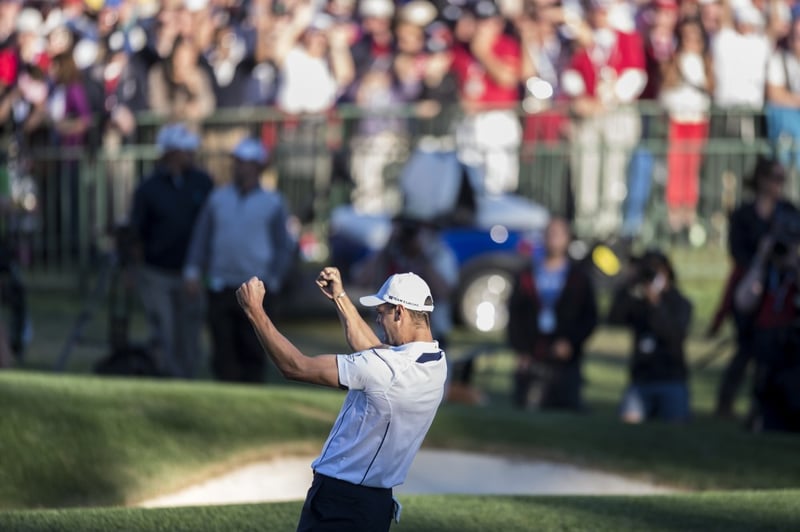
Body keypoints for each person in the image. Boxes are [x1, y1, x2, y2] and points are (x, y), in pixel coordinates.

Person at [235, 267, 447, 531]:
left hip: (340, 503)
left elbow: (296, 367)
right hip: (375, 505)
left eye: (381, 313)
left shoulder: (386, 368)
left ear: (400, 312)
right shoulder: (436, 362)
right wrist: (340, 296)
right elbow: (373, 350)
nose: (378, 321)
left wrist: (254, 310)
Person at [183, 137, 295, 383]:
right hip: (220, 284)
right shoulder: (217, 198)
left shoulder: (273, 202)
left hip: (257, 288)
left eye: (245, 163)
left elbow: (283, 245)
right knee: (222, 349)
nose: (239, 168)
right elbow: (202, 237)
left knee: (253, 348)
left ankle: (252, 392)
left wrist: (275, 278)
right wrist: (192, 271)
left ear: (257, 167)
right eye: (237, 163)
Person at [709, 156, 798, 418]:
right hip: (750, 283)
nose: (778, 184)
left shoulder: (789, 212)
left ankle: (762, 406)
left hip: (779, 289)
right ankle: (726, 402)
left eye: (782, 179)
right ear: (761, 180)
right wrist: (761, 258)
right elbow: (738, 252)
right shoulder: (743, 215)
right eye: (775, 178)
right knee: (746, 345)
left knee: (772, 348)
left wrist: (786, 260)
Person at [129, 122, 213, 378]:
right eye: (185, 151)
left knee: (189, 330)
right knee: (163, 330)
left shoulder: (202, 182)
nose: (191, 155)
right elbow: (136, 233)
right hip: (157, 272)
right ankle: (166, 377)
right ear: (172, 153)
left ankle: (186, 378)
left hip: (191, 274)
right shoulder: (149, 187)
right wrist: (133, 270)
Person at [507, 216, 598, 410]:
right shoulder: (527, 275)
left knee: (566, 407)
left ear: (568, 238)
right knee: (529, 405)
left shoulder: (578, 277)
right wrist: (521, 349)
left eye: (559, 234)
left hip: (566, 359)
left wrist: (571, 342)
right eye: (550, 234)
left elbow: (589, 317)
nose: (554, 239)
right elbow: (515, 315)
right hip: (533, 354)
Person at [733, 207, 800, 432]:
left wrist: (795, 265)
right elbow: (743, 301)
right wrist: (761, 259)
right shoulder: (766, 268)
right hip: (767, 341)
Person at [608, 249, 693, 424]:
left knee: (675, 425)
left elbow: (673, 335)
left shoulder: (680, 304)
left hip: (671, 378)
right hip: (641, 379)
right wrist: (629, 282)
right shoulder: (637, 302)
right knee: (629, 421)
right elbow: (614, 318)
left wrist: (656, 303)